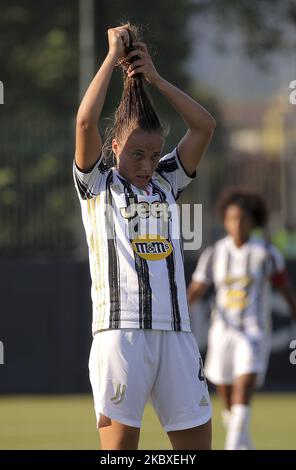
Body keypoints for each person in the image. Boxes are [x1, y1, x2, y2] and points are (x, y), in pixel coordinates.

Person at [73, 23, 216, 450]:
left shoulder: (168, 182)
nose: (148, 163)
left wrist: (153, 78)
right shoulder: (99, 184)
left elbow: (204, 126)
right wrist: (108, 59)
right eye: (137, 153)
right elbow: (84, 123)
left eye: (154, 154)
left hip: (176, 333)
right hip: (121, 333)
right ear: (114, 145)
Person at [187, 188, 296, 450]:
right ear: (224, 221)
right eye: (231, 218)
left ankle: (233, 447)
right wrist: (177, 311)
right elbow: (197, 290)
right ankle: (244, 445)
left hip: (254, 331)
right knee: (226, 395)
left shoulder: (267, 253)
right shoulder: (214, 254)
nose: (237, 224)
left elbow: (286, 290)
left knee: (243, 387)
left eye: (242, 218)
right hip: (222, 332)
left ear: (252, 221)